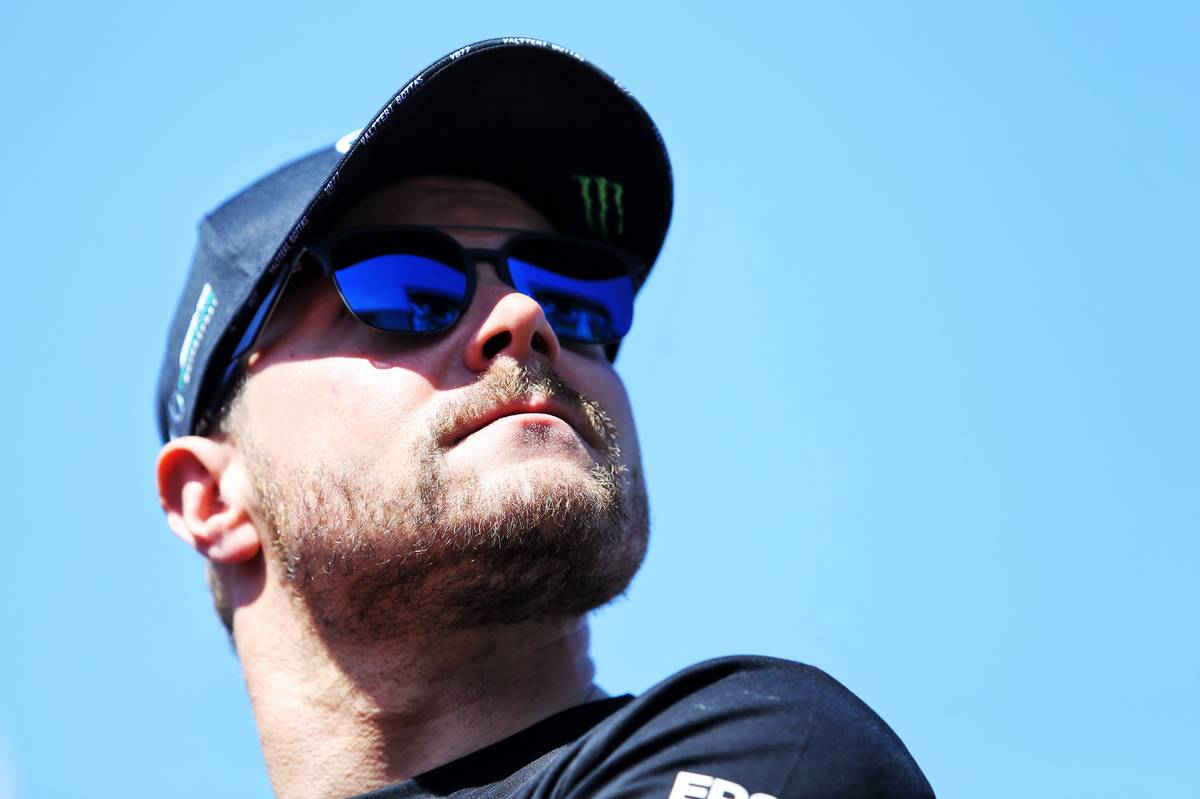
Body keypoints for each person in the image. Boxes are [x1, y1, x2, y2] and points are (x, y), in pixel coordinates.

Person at [154, 38, 934, 799]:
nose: (527, 316)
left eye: (573, 295)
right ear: (210, 497)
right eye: (404, 287)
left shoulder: (768, 746)